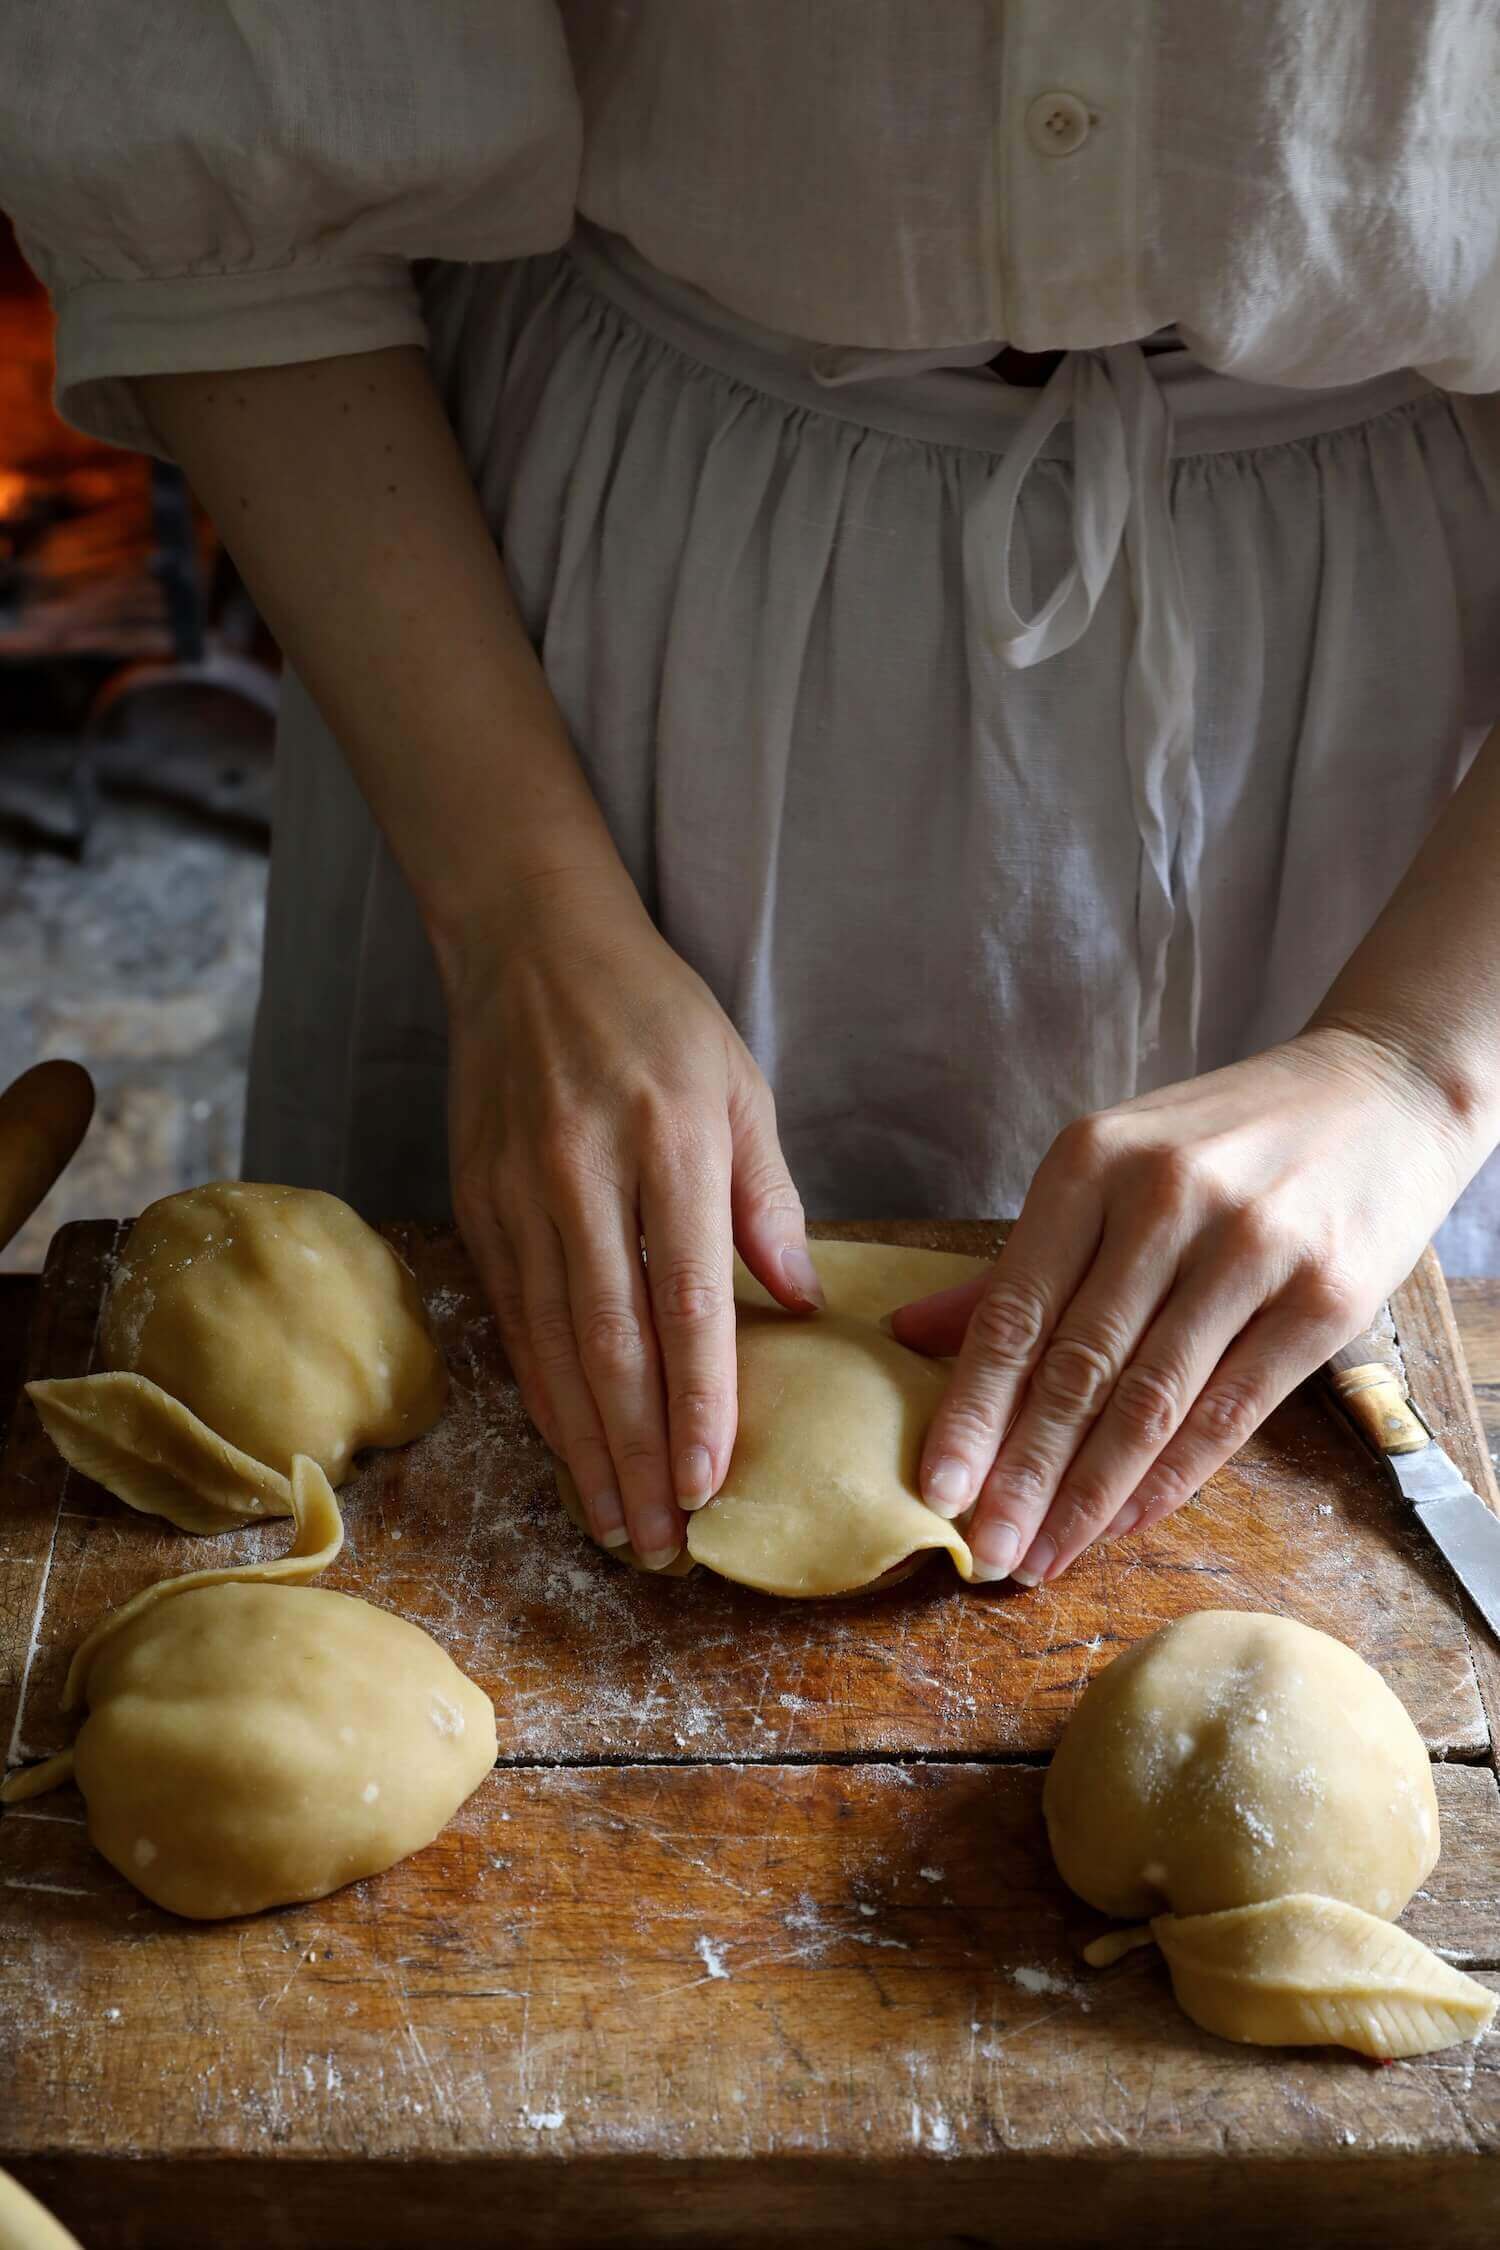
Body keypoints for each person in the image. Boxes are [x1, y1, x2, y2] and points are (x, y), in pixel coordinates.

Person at [6, 4, 1500, 1588]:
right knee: (483, 1470)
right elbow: (218, 119)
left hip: (1405, 773)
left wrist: (1418, 1059)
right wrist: (525, 918)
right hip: (557, 645)